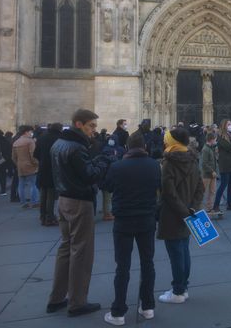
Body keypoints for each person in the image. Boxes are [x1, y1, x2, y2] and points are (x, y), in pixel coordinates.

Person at [47, 109, 113, 317]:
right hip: (79, 202)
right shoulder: (76, 147)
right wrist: (103, 161)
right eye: (91, 126)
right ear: (78, 124)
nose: (94, 130)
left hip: (63, 200)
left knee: (66, 249)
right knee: (81, 252)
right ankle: (77, 302)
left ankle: (56, 298)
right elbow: (89, 175)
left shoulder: (58, 144)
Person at [103, 134, 161, 325]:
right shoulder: (153, 165)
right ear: (144, 146)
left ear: (127, 147)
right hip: (146, 220)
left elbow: (108, 187)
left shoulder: (117, 166)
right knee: (148, 263)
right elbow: (158, 186)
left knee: (123, 266)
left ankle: (118, 312)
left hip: (124, 221)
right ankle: (148, 307)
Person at [157, 127, 204, 304]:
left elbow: (168, 193)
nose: (165, 141)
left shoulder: (169, 162)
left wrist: (183, 211)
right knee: (184, 251)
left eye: (167, 138)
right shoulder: (193, 159)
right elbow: (200, 187)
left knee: (176, 253)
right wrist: (192, 208)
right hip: (189, 213)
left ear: (172, 142)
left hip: (172, 214)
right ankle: (183, 288)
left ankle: (177, 291)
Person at [34, 123, 63, 225]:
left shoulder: (42, 137)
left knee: (43, 193)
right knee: (51, 194)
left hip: (43, 168)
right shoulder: (59, 138)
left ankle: (43, 216)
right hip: (53, 169)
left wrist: (42, 160)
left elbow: (35, 154)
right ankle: (50, 217)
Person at [212, 119, 231, 212]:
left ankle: (230, 203)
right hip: (225, 164)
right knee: (223, 184)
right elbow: (228, 147)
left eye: (230, 124)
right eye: (228, 124)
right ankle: (216, 205)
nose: (230, 125)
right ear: (224, 125)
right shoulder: (220, 136)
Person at [12, 125, 40, 209]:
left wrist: (17, 164)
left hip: (20, 166)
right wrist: (36, 163)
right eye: (31, 132)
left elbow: (13, 157)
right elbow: (33, 155)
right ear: (26, 132)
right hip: (30, 165)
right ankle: (34, 202)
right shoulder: (30, 141)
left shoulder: (16, 142)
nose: (31, 133)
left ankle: (23, 203)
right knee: (33, 184)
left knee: (21, 185)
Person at [200, 133, 219, 212]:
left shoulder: (211, 148)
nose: (216, 141)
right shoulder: (205, 149)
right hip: (207, 174)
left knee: (212, 191)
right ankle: (199, 208)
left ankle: (209, 208)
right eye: (215, 139)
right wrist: (212, 171)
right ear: (211, 139)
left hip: (212, 173)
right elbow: (204, 163)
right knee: (202, 192)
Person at [0, 129, 12, 196]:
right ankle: (3, 191)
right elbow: (9, 151)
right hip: (3, 161)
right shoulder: (6, 141)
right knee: (2, 176)